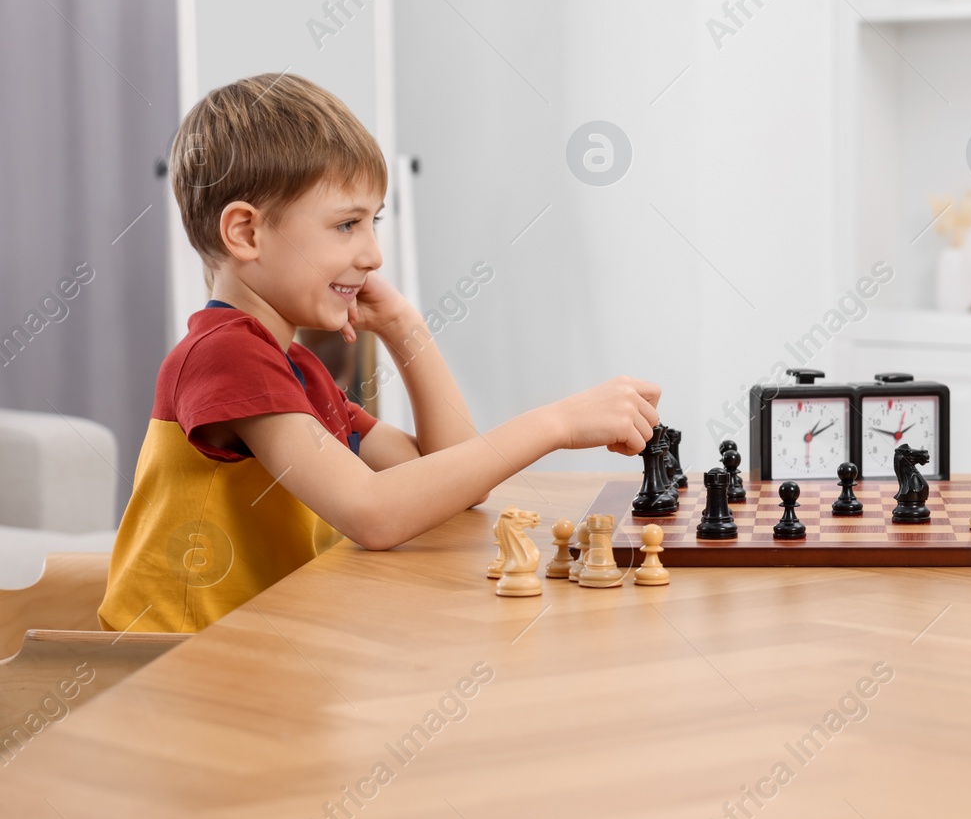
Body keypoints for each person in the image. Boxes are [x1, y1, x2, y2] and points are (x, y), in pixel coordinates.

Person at [101, 73, 659, 633]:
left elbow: (450, 478)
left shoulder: (295, 368)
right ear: (246, 233)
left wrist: (403, 327)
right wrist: (556, 422)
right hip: (172, 665)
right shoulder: (224, 356)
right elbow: (373, 512)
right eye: (346, 224)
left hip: (253, 649)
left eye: (374, 222)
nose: (373, 254)